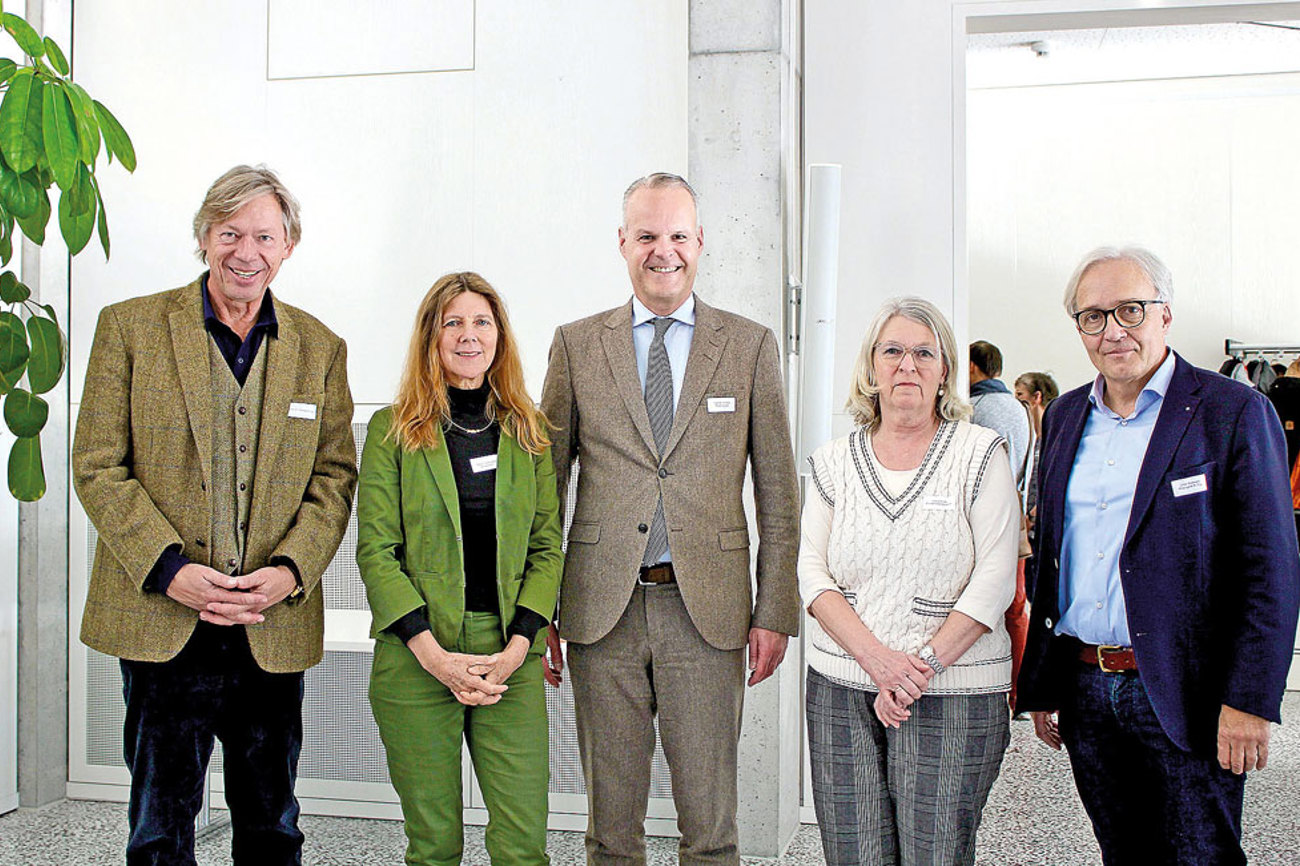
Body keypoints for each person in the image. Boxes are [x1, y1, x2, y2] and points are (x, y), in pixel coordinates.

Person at [72, 165, 357, 865]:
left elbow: (334, 476)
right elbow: (96, 464)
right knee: (160, 827)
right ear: (204, 237)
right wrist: (171, 570)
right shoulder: (130, 329)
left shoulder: (320, 349)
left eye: (264, 234)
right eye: (230, 232)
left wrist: (290, 572)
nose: (246, 251)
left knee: (271, 825)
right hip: (164, 621)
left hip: (270, 624)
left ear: (288, 245)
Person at [539, 172, 800, 865]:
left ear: (700, 242)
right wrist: (535, 612)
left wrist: (774, 609)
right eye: (648, 235)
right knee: (610, 832)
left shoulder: (747, 346)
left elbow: (778, 489)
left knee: (711, 831)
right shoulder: (575, 345)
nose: (664, 251)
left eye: (677, 235)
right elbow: (544, 492)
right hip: (602, 611)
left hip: (707, 614)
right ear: (622, 242)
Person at [1017, 245, 1300, 864]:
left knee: (1201, 855)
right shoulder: (1065, 415)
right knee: (1123, 852)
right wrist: (1045, 680)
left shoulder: (1232, 411)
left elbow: (1271, 570)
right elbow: (1051, 557)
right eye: (1093, 316)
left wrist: (1251, 700)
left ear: (1165, 315)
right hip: (1087, 685)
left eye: (1130, 310)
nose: (1112, 330)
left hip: (1186, 691)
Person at [799, 297, 1019, 866]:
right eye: (892, 350)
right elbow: (811, 572)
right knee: (853, 853)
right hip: (841, 685)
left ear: (946, 368)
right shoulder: (831, 461)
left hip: (953, 690)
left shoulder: (980, 452)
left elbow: (995, 578)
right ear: (871, 365)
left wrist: (919, 666)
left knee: (935, 853)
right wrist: (878, 661)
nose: (907, 365)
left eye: (925, 352)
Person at [356, 272, 563, 866]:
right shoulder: (391, 433)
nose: (469, 336)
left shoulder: (530, 433)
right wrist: (435, 657)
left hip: (509, 654)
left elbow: (547, 548)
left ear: (499, 335)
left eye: (482, 322)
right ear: (431, 336)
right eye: (454, 322)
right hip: (417, 654)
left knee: (523, 843)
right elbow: (377, 550)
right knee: (434, 843)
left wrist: (521, 645)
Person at [969, 340, 1033, 713]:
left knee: (987, 610)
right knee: (1015, 608)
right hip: (1016, 519)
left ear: (974, 368)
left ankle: (994, 693)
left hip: (985, 525)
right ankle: (1019, 694)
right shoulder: (1017, 407)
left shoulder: (976, 409)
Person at [1012, 370, 1060, 532]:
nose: (1016, 400)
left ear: (1036, 397)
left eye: (1020, 394)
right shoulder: (1030, 436)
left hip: (1043, 524)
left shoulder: (1058, 436)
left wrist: (1034, 514)